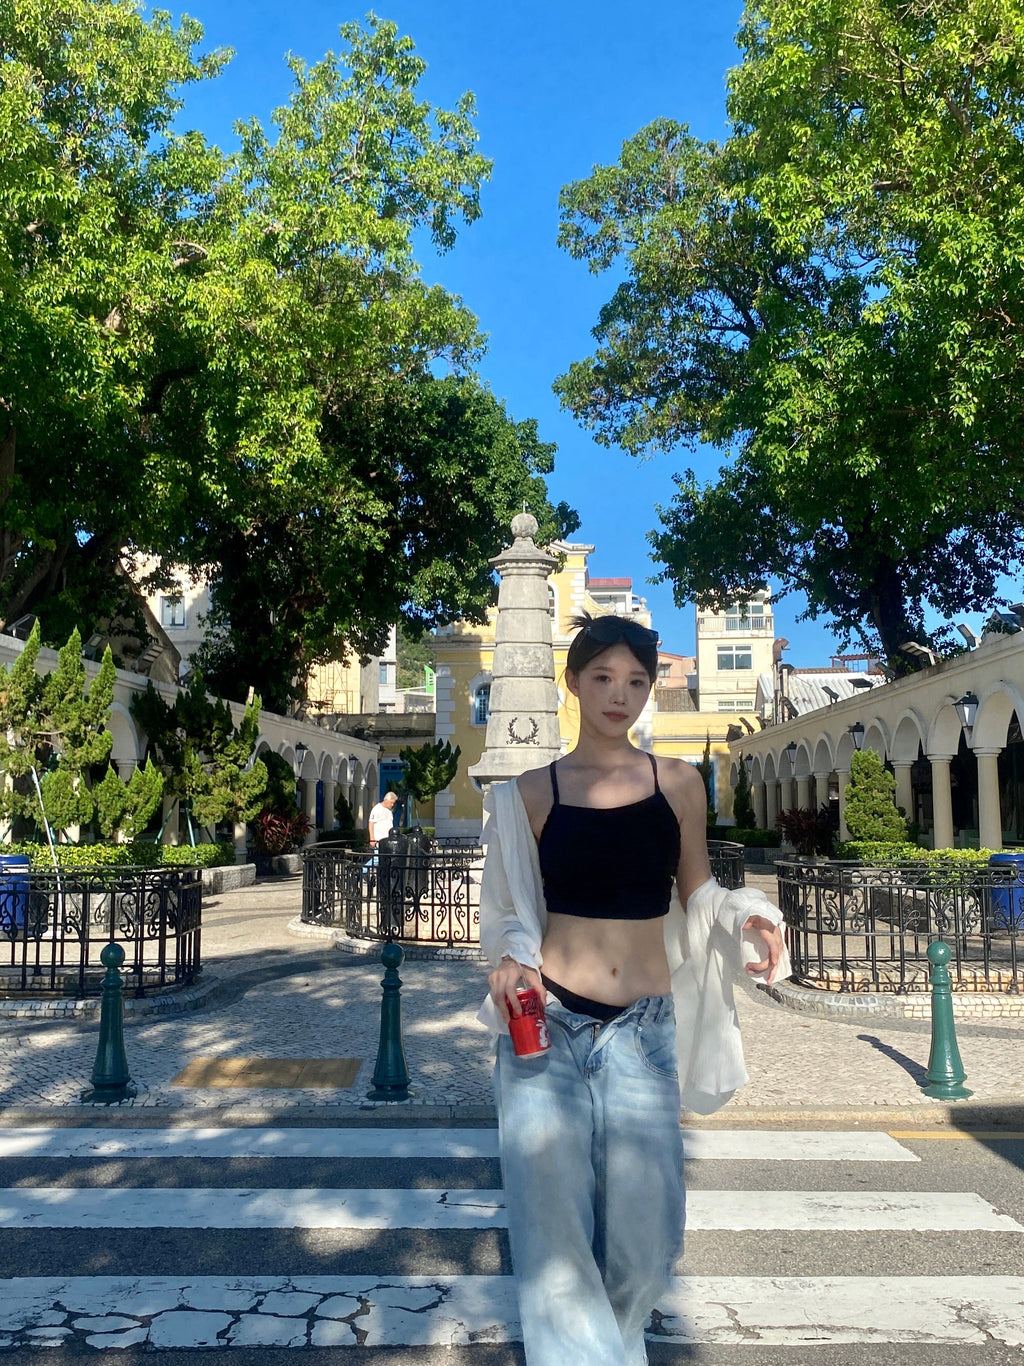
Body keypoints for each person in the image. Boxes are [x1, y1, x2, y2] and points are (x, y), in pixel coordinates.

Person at [477, 612, 787, 1366]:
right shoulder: (529, 793)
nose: (620, 695)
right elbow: (510, 911)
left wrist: (748, 915)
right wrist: (511, 963)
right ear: (574, 683)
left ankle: (612, 1349)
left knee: (647, 1246)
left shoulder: (676, 783)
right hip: (548, 1030)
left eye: (637, 681)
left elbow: (699, 891)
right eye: (603, 678)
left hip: (644, 1034)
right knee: (553, 1241)